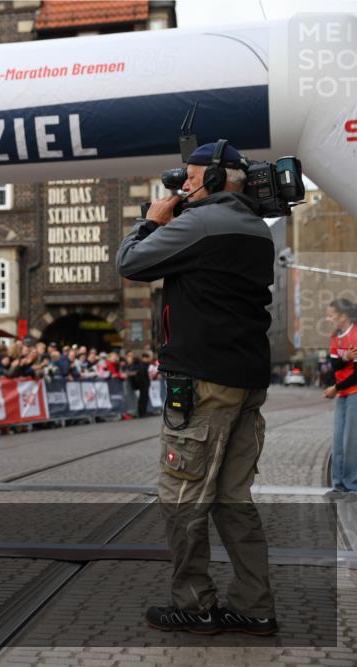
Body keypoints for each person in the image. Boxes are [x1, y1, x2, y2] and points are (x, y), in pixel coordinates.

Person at [117, 141, 278, 635]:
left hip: (204, 383)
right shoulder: (256, 229)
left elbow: (131, 263)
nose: (181, 185)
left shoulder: (202, 223)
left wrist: (153, 218)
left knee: (182, 496)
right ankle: (254, 607)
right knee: (234, 499)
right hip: (246, 381)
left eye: (188, 177)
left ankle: (194, 603)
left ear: (214, 178)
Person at [324, 298, 357, 495]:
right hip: (342, 393)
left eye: (331, 316)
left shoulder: (355, 335)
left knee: (351, 441)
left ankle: (352, 485)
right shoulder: (335, 336)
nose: (329, 319)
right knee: (338, 440)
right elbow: (334, 365)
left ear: (343, 317)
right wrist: (345, 358)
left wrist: (335, 388)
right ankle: (338, 484)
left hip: (354, 393)